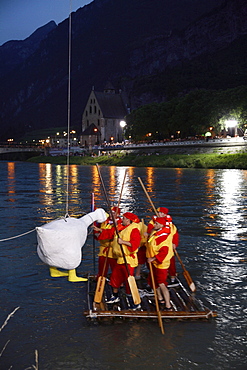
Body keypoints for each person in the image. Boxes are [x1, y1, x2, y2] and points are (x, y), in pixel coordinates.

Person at [106, 212, 141, 309]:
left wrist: (123, 242)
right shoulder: (121, 228)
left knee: (128, 281)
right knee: (115, 278)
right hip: (120, 259)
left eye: (124, 218)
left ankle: (134, 302)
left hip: (128, 259)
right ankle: (115, 296)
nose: (122, 220)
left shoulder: (134, 230)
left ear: (129, 220)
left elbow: (135, 244)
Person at [146, 216, 175, 310]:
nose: (154, 225)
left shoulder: (164, 238)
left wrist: (153, 258)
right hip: (154, 262)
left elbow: (163, 252)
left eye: (156, 224)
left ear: (161, 225)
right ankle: (160, 298)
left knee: (162, 283)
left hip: (161, 264)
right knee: (154, 281)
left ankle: (168, 305)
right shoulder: (156, 233)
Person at [147, 207, 179, 283]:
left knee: (171, 262)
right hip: (155, 247)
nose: (159, 214)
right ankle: (152, 281)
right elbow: (150, 231)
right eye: (158, 212)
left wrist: (174, 243)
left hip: (167, 246)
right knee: (152, 265)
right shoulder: (153, 222)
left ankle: (172, 277)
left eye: (161, 213)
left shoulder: (171, 224)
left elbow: (175, 234)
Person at [93, 206, 122, 279]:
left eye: (113, 213)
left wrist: (100, 231)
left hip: (113, 250)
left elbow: (112, 233)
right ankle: (100, 279)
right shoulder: (105, 221)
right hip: (103, 249)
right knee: (102, 267)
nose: (111, 214)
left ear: (117, 214)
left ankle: (117, 282)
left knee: (114, 268)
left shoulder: (120, 223)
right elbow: (97, 228)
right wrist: (96, 232)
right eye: (110, 213)